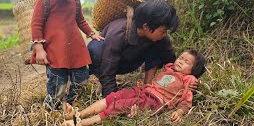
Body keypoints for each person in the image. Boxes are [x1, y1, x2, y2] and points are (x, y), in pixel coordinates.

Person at [30, 0, 104, 110]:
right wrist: (39, 49)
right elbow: (36, 25)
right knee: (58, 83)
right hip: (55, 51)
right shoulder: (44, 0)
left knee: (82, 78)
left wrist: (91, 34)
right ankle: (52, 107)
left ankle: (71, 103)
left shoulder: (74, 0)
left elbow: (80, 20)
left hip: (75, 48)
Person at [63, 50, 207, 125]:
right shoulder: (168, 69)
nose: (181, 61)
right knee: (112, 97)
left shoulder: (189, 79)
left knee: (117, 106)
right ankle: (78, 114)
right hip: (143, 92)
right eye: (181, 58)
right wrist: (145, 86)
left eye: (187, 61)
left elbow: (186, 100)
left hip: (154, 101)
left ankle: (80, 123)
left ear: (194, 69)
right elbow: (157, 83)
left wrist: (181, 112)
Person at [87, 0, 181, 97]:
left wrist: (185, 79)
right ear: (146, 26)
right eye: (163, 31)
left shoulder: (159, 36)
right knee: (95, 48)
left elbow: (170, 60)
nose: (165, 34)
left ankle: (148, 86)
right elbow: (108, 71)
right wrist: (112, 100)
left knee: (157, 44)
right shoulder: (118, 34)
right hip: (109, 62)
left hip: (132, 61)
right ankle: (104, 84)